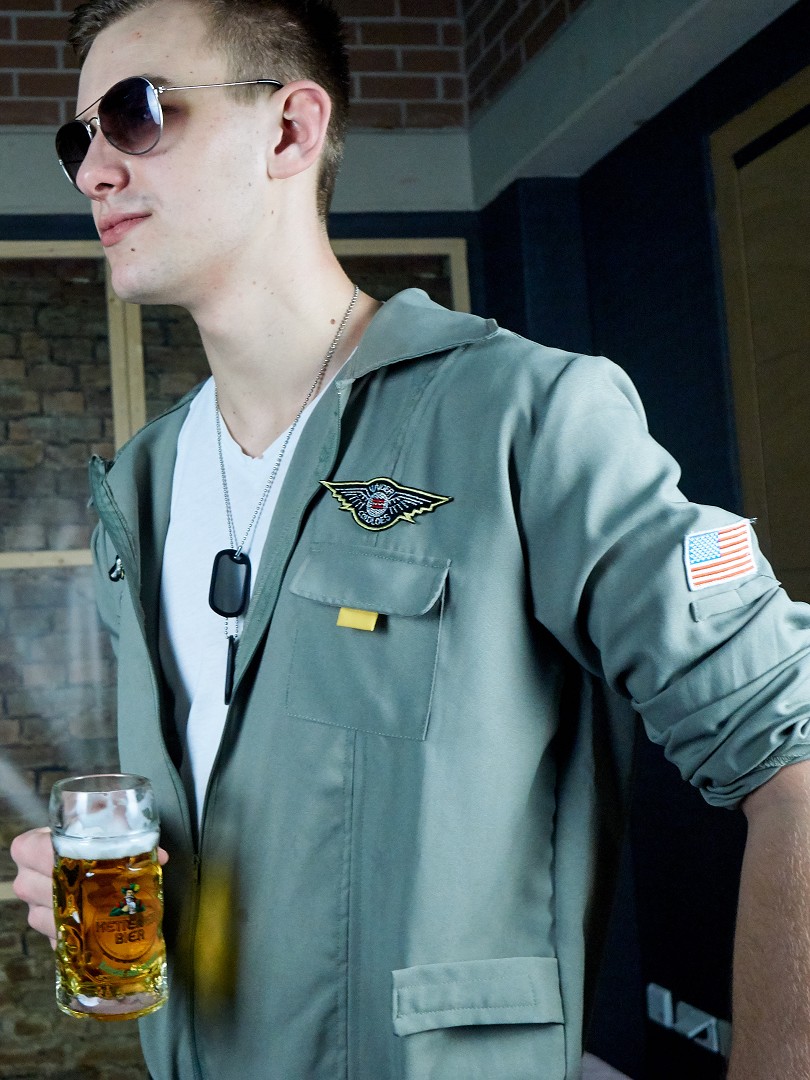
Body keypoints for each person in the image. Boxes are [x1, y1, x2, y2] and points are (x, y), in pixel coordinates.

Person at [10, 1, 810, 1077]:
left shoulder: (523, 415)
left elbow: (795, 749)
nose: (95, 171)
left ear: (290, 130)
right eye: (78, 141)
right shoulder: (140, 486)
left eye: (136, 114)